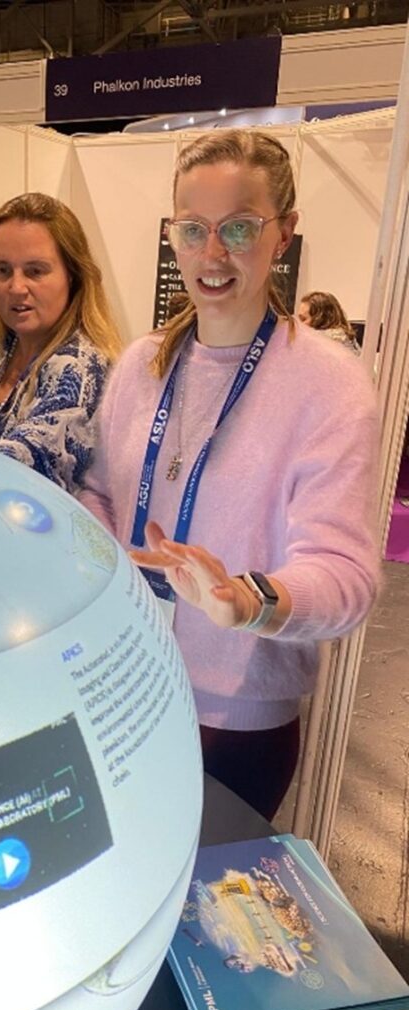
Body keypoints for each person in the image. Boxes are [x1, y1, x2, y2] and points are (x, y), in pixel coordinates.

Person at [80, 130, 380, 819]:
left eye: (239, 228)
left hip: (234, 722)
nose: (212, 254)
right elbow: (101, 492)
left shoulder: (326, 383)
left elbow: (347, 575)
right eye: (193, 230)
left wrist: (249, 600)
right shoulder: (140, 364)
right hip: (120, 684)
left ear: (284, 235)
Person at [0, 192, 120, 494]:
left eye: (35, 271)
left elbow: (16, 476)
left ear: (73, 276)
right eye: (3, 270)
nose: (16, 288)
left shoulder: (80, 367)